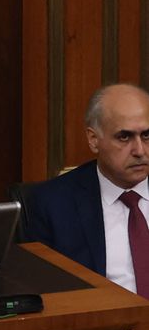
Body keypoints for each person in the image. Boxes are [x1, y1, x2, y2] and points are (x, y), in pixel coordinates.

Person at [26, 83, 149, 298]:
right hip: (106, 327)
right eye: (124, 137)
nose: (140, 150)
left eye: (147, 135)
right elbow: (47, 296)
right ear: (94, 140)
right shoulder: (53, 204)